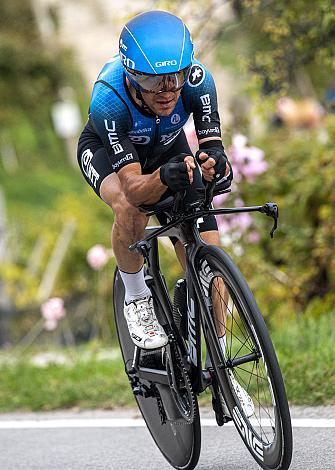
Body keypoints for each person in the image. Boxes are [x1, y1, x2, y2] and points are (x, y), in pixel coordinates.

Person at [77, 10, 254, 417]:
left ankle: (222, 366)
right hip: (111, 154)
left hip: (168, 148)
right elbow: (137, 188)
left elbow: (212, 144)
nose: (168, 88)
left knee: (210, 246)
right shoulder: (109, 96)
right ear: (132, 75)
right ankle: (137, 297)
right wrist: (164, 177)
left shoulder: (197, 81)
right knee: (130, 207)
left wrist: (215, 163)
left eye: (175, 75)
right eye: (155, 80)